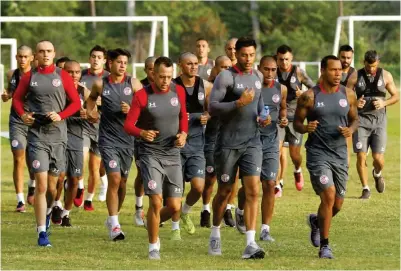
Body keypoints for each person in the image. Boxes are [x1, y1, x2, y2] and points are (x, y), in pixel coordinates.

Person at [12, 40, 81, 246]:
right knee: (41, 185)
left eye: (49, 51)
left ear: (54, 53)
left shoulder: (63, 77)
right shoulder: (28, 77)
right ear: (36, 55)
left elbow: (76, 102)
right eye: (41, 51)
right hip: (37, 137)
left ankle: (49, 213)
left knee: (53, 188)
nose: (45, 54)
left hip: (59, 138)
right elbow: (16, 100)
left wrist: (61, 115)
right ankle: (42, 232)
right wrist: (23, 115)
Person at [208, 37, 268, 259]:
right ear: (237, 55)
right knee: (224, 191)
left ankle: (250, 243)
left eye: (252, 55)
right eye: (244, 55)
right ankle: (215, 232)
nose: (248, 59)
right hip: (227, 144)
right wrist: (237, 104)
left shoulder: (258, 76)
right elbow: (213, 107)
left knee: (253, 190)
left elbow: (260, 105)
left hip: (253, 141)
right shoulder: (226, 77)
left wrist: (264, 116)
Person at [294, 55, 358, 259]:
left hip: (339, 154)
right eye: (333, 70)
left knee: (337, 204)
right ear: (322, 71)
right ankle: (325, 246)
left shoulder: (348, 94)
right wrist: (306, 127)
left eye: (340, 70)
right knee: (328, 195)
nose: (338, 73)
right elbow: (296, 123)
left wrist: (350, 129)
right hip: (317, 154)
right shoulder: (309, 96)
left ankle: (316, 221)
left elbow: (356, 119)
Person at [124, 56, 188, 260]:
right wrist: (142, 133)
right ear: (153, 75)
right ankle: (153, 246)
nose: (165, 81)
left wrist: (183, 134)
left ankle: (151, 222)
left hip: (173, 154)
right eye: (162, 77)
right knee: (155, 200)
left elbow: (182, 117)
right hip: (150, 154)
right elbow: (128, 125)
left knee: (175, 206)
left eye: (169, 77)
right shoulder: (142, 95)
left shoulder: (178, 91)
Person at [86, 48, 142, 241]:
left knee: (123, 182)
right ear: (110, 63)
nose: (122, 66)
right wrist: (91, 112)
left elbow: (147, 109)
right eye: (119, 62)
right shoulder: (100, 84)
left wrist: (132, 110)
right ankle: (115, 225)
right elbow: (91, 100)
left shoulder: (133, 83)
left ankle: (113, 218)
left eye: (125, 63)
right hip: (108, 140)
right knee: (115, 179)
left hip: (128, 140)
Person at [346, 50, 399, 199]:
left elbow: (396, 96)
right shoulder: (355, 76)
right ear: (364, 63)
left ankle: (377, 173)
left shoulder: (386, 75)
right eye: (369, 66)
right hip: (361, 121)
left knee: (378, 159)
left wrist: (384, 102)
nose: (371, 69)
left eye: (374, 66)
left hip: (379, 122)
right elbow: (345, 97)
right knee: (361, 156)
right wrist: (355, 103)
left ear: (378, 63)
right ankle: (365, 188)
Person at [173, 52, 212, 237]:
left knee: (198, 187)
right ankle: (174, 228)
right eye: (189, 63)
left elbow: (213, 109)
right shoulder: (172, 86)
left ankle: (185, 212)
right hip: (175, 144)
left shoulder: (205, 86)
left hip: (197, 143)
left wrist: (207, 116)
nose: (193, 67)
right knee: (175, 190)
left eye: (196, 63)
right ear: (180, 64)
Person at [257, 55, 288, 241]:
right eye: (266, 69)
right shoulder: (252, 86)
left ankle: (265, 229)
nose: (269, 73)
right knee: (250, 186)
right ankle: (241, 210)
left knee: (269, 184)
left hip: (271, 141)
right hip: (251, 140)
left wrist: (283, 119)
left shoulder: (281, 89)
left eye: (273, 69)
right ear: (259, 68)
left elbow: (282, 109)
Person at [276, 44, 315, 191]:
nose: (284, 63)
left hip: (295, 118)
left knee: (294, 154)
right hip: (279, 118)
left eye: (286, 59)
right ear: (277, 58)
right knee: (277, 151)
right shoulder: (273, 72)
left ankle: (298, 170)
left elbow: (314, 89)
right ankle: (277, 184)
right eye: (281, 59)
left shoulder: (298, 72)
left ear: (291, 58)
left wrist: (303, 95)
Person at [2, 45, 35, 212]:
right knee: (18, 157)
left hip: (34, 122)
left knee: (33, 160)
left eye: (25, 56)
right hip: (16, 122)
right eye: (20, 56)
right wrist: (6, 95)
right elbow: (9, 92)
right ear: (16, 57)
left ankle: (32, 186)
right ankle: (20, 200)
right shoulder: (11, 74)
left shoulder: (37, 75)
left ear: (31, 58)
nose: (22, 59)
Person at [201, 55, 232, 228]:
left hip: (230, 139)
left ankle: (227, 208)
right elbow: (205, 110)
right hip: (211, 139)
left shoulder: (235, 87)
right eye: (222, 67)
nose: (226, 70)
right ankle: (205, 209)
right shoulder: (208, 88)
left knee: (229, 179)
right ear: (215, 68)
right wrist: (207, 114)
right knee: (210, 178)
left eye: (229, 67)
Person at [78, 45, 110, 210]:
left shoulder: (110, 78)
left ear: (104, 60)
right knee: (80, 161)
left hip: (101, 128)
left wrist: (101, 103)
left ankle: (89, 199)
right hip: (83, 126)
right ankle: (80, 188)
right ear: (89, 58)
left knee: (95, 167)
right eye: (93, 56)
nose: (96, 59)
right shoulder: (81, 75)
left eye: (99, 57)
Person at [59, 60, 90, 226]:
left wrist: (89, 112)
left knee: (74, 179)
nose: (74, 75)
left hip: (77, 138)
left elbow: (94, 113)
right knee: (58, 176)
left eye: (77, 72)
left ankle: (66, 213)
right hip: (58, 137)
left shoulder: (83, 91)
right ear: (63, 72)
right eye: (70, 72)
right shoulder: (56, 89)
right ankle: (55, 205)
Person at [134, 56, 157, 226]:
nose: (154, 72)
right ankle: (139, 207)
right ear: (146, 70)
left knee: (158, 177)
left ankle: (156, 212)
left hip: (162, 140)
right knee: (143, 174)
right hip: (141, 138)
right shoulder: (139, 88)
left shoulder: (168, 89)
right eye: (150, 68)